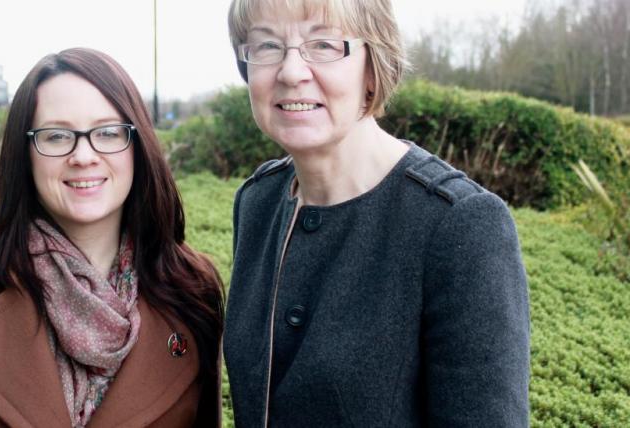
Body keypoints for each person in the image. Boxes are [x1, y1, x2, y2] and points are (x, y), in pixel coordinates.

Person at [0, 47, 224, 428]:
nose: (83, 155)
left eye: (107, 132)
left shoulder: (190, 288)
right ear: (26, 153)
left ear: (137, 146)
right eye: (56, 136)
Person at [223, 0, 530, 427]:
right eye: (267, 46)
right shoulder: (257, 202)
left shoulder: (459, 225)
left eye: (324, 44)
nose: (291, 72)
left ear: (373, 64)